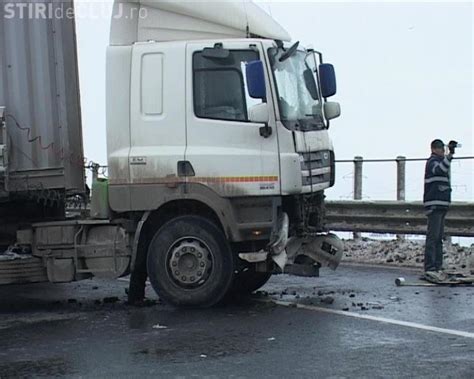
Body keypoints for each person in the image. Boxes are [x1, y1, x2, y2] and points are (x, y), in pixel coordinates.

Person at [423, 139, 457, 280]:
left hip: (441, 205)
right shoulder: (432, 162)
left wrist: (449, 156)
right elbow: (440, 169)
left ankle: (437, 266)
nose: (443, 152)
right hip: (435, 204)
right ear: (434, 149)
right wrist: (450, 155)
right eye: (442, 149)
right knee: (433, 237)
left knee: (438, 238)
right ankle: (430, 267)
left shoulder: (440, 161)